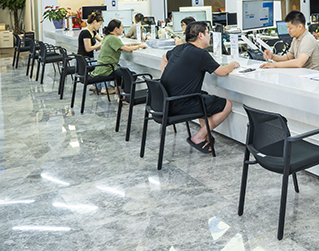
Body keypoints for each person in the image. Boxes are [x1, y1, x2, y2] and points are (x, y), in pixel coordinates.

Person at [160, 21, 240, 153]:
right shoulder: (200, 54)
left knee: (203, 95)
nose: (209, 36)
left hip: (165, 101)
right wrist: (232, 64)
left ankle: (206, 134)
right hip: (179, 105)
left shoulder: (179, 48)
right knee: (227, 104)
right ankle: (198, 137)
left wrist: (164, 78)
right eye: (208, 33)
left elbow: (164, 57)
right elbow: (221, 72)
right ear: (200, 35)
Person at [92, 19, 146, 92]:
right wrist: (139, 46)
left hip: (102, 68)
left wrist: (133, 44)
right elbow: (127, 49)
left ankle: (118, 94)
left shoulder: (107, 36)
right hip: (107, 69)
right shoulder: (113, 38)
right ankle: (125, 96)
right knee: (131, 75)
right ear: (116, 29)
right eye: (122, 27)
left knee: (119, 73)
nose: (123, 30)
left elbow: (120, 45)